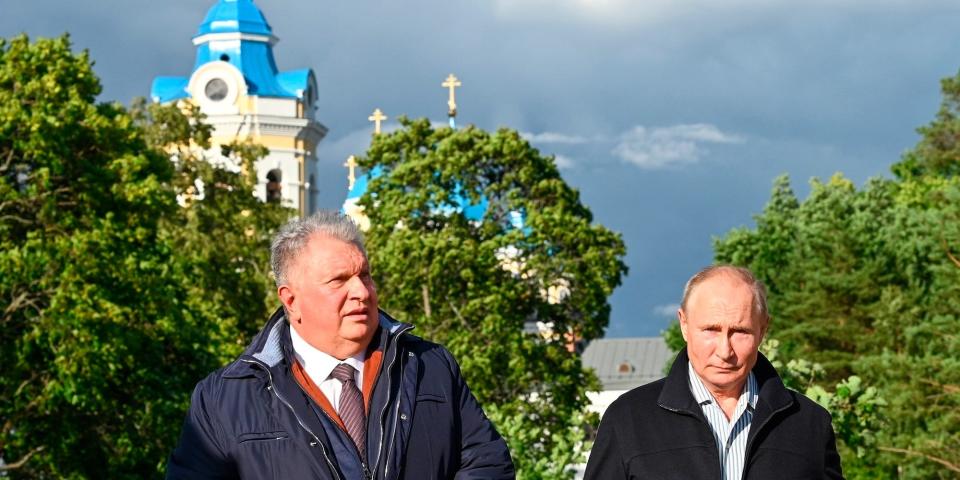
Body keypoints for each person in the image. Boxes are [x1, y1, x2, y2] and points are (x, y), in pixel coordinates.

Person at [166, 211, 515, 479]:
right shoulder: (225, 398)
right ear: (291, 301)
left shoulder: (429, 367)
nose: (361, 292)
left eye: (364, 275)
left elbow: (486, 463)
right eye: (339, 281)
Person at [584, 265, 843, 479]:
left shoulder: (810, 424)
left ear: (763, 330)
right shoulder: (628, 419)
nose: (724, 350)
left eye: (739, 332)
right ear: (684, 325)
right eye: (711, 330)